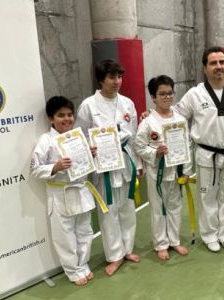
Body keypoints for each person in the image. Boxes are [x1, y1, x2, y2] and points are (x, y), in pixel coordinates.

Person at [173, 46, 224, 252]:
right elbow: (176, 117)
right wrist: (153, 115)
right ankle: (209, 235)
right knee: (207, 198)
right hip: (207, 156)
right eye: (213, 63)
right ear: (204, 68)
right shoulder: (195, 94)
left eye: (222, 62)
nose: (219, 67)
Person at [74, 59, 142, 275]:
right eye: (112, 77)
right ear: (101, 79)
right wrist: (89, 151)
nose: (117, 81)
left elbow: (134, 136)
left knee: (127, 209)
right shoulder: (88, 105)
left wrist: (138, 163)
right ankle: (114, 255)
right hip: (103, 167)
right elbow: (80, 138)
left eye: (119, 77)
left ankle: (128, 248)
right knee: (108, 212)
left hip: (125, 161)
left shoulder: (127, 103)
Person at [30, 96, 100, 286]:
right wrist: (55, 167)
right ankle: (72, 270)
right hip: (60, 194)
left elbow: (85, 167)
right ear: (50, 119)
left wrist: (90, 155)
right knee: (65, 236)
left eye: (70, 115)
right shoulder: (46, 140)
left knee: (85, 231)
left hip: (81, 190)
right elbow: (35, 168)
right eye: (61, 115)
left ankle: (83, 265)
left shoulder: (78, 137)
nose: (67, 119)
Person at [133, 75, 192, 261]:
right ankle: (160, 244)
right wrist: (155, 152)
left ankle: (174, 240)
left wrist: (187, 172)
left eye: (170, 93)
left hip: (177, 170)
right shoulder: (148, 122)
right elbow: (139, 146)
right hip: (156, 172)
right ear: (153, 97)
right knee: (158, 208)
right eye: (162, 94)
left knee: (175, 205)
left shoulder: (181, 119)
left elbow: (187, 145)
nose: (167, 97)